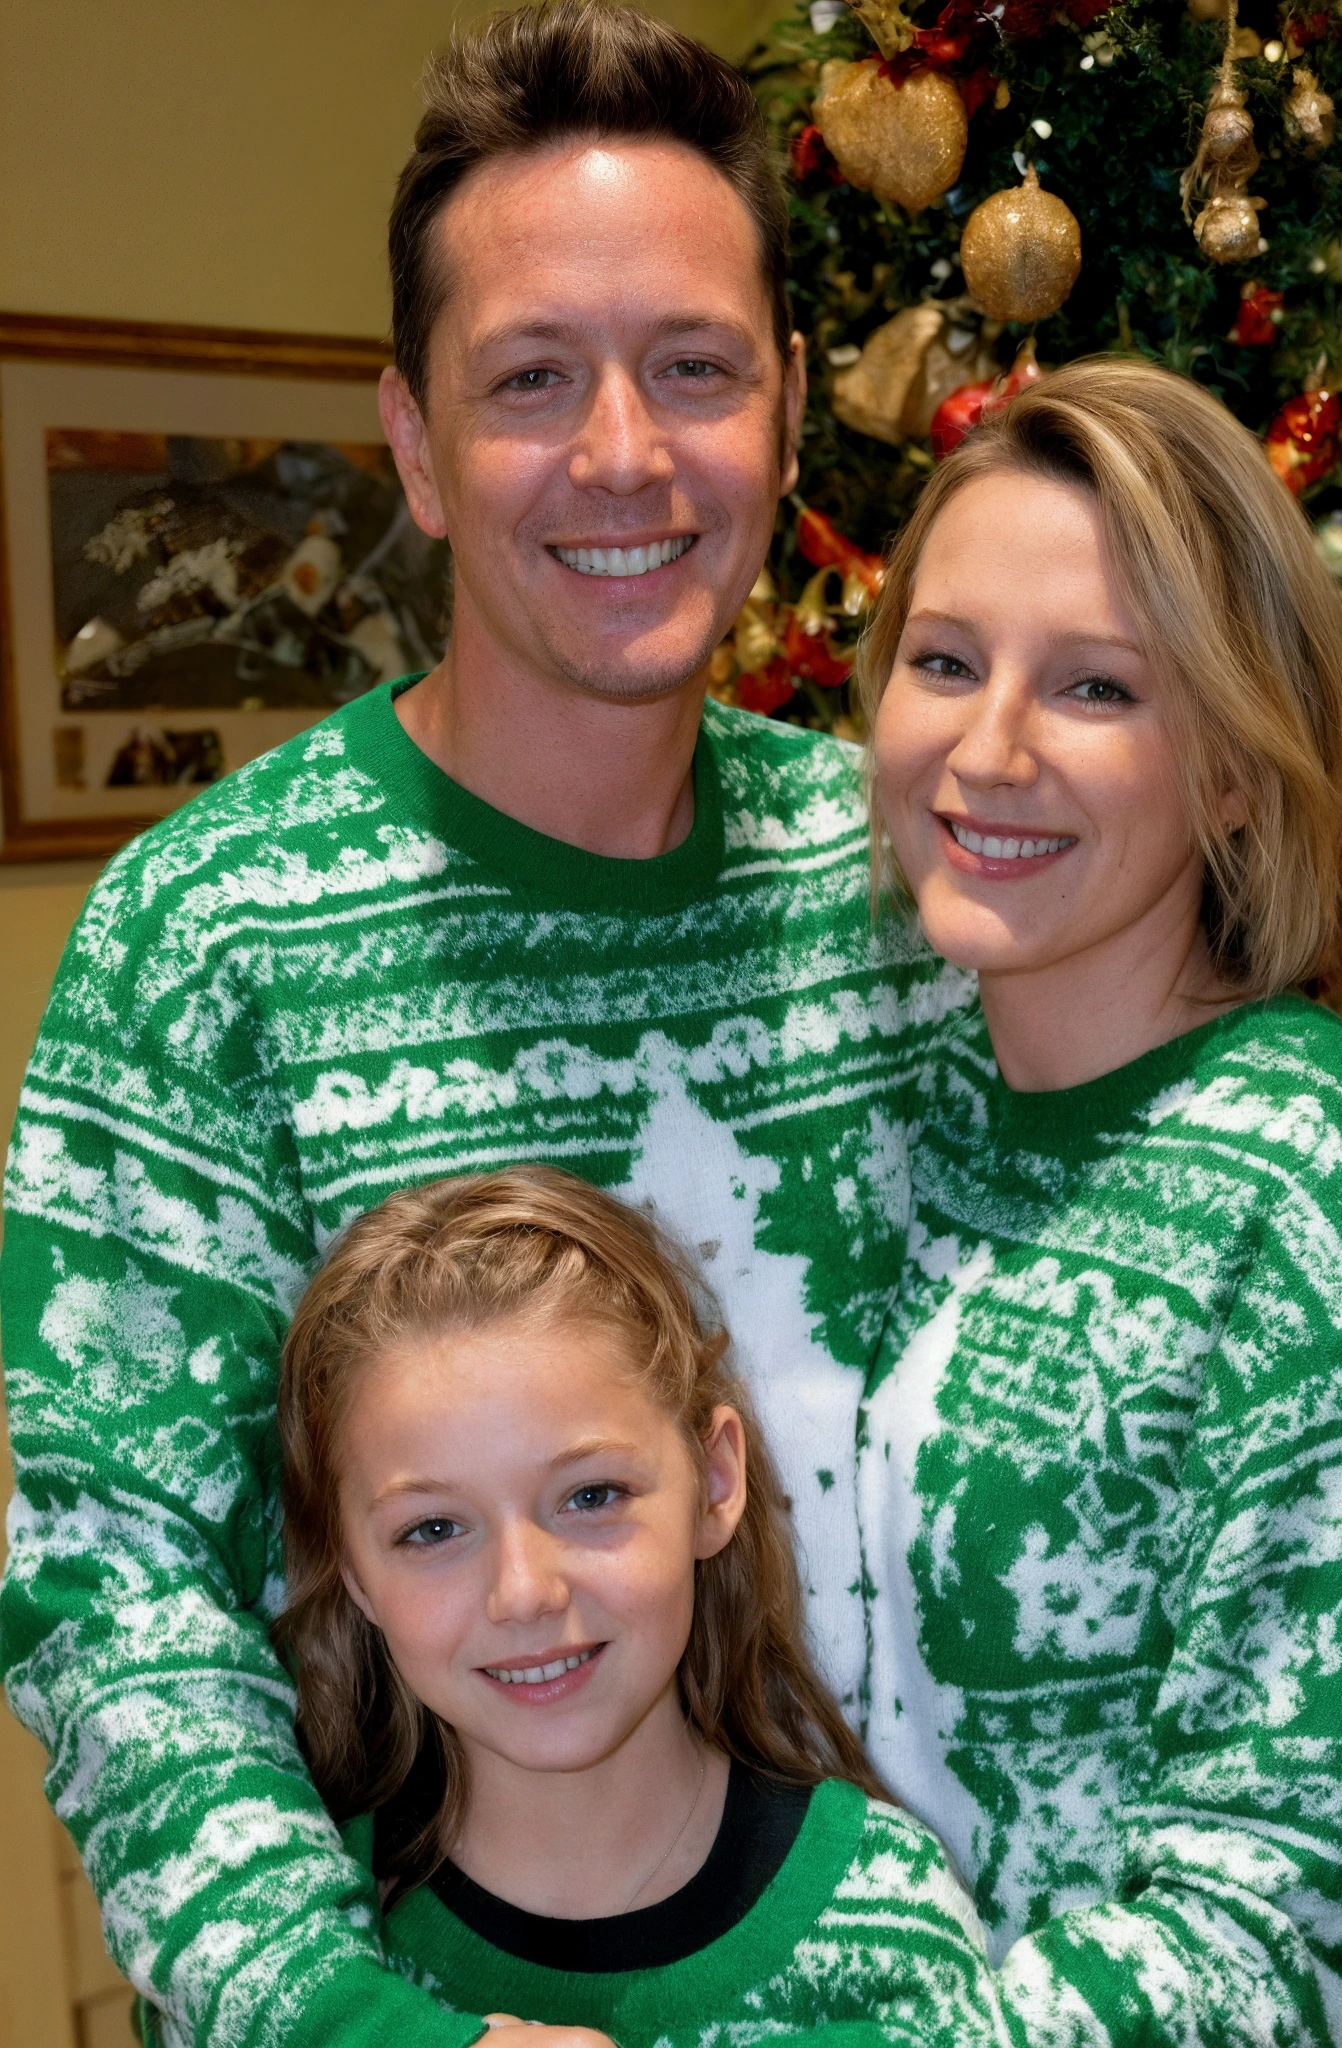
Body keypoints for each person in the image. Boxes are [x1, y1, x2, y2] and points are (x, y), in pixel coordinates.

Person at [0, 10, 962, 2046]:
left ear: (791, 410)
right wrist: (353, 2026)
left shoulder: (911, 890)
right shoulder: (206, 940)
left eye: (693, 367)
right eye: (532, 378)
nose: (623, 453)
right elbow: (113, 1584)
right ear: (417, 446)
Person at [851, 358, 1342, 2048]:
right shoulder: (901, 1100)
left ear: (1233, 768)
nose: (987, 750)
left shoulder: (1319, 1195)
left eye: (1095, 687)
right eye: (945, 661)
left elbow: (1263, 1936)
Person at [274, 1165, 1007, 2048]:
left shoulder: (882, 1916)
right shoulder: (307, 1950)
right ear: (353, 1572)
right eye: (432, 1529)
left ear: (715, 1481)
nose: (524, 1593)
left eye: (591, 1496)